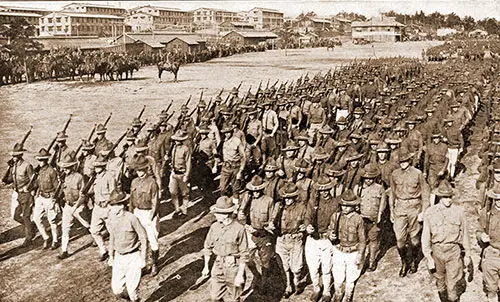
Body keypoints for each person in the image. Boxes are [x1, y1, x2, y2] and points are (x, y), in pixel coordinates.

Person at [390, 149, 430, 277]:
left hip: (414, 206)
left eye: (405, 161)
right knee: (400, 239)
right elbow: (392, 192)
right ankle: (404, 262)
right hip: (400, 207)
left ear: (409, 161)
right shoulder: (395, 174)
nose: (403, 163)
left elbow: (425, 193)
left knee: (414, 240)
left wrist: (423, 211)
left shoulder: (417, 174)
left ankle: (413, 261)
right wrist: (392, 209)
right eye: (400, 161)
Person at [202, 196, 248, 302]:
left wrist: (240, 275)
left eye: (217, 212)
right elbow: (207, 247)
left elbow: (244, 253)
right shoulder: (214, 227)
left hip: (234, 267)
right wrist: (206, 267)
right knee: (215, 297)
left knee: (234, 298)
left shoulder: (239, 229)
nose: (215, 214)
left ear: (225, 214)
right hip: (218, 265)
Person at [107, 189, 148, 302]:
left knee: (132, 291)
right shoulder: (112, 218)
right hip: (119, 257)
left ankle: (134, 298)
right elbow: (112, 238)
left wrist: (143, 259)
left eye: (112, 205)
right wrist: (111, 256)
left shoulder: (132, 218)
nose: (110, 208)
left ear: (121, 206)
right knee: (117, 290)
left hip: (133, 256)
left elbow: (143, 238)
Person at [304, 175, 339, 302]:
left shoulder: (335, 203)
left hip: (326, 240)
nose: (324, 192)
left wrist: (332, 232)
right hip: (313, 239)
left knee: (326, 268)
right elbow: (307, 217)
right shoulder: (313, 202)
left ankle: (327, 292)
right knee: (313, 268)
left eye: (326, 189)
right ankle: (316, 288)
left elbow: (336, 221)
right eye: (321, 190)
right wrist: (308, 226)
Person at [240, 175, 276, 294]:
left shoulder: (269, 201)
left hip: (264, 234)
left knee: (265, 261)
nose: (255, 193)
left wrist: (268, 227)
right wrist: (246, 226)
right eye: (253, 190)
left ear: (262, 189)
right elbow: (241, 215)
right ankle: (256, 275)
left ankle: (264, 284)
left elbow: (272, 220)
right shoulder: (248, 199)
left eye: (257, 191)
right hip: (251, 233)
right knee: (246, 258)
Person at [329, 189, 366, 302]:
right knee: (338, 277)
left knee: (351, 278)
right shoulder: (336, 216)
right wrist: (330, 235)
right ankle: (338, 293)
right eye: (343, 205)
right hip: (339, 250)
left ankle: (348, 296)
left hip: (353, 252)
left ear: (353, 206)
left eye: (348, 206)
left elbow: (362, 239)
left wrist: (360, 255)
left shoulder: (358, 219)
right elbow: (329, 230)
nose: (344, 208)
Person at [275, 182, 307, 298]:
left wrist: (304, 227)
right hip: (282, 238)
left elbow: (307, 220)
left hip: (295, 238)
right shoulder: (278, 207)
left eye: (290, 198)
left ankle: (297, 281)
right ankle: (288, 285)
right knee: (284, 265)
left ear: (295, 197)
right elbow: (272, 220)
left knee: (296, 267)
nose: (287, 200)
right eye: (285, 198)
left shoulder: (302, 207)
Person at [130, 154, 160, 275]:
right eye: (137, 170)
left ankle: (154, 264)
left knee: (152, 239)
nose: (139, 172)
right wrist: (131, 214)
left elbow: (155, 201)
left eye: (141, 170)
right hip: (137, 212)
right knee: (140, 240)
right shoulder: (134, 182)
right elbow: (131, 200)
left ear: (146, 169)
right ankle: (143, 264)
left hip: (149, 213)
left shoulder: (152, 182)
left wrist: (151, 217)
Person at [58, 151, 90, 259]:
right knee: (65, 228)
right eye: (64, 168)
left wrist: (77, 205)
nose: (65, 170)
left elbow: (83, 194)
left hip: (78, 206)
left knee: (87, 225)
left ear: (72, 167)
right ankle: (64, 250)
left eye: (67, 167)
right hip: (68, 206)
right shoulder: (64, 178)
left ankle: (97, 239)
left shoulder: (79, 177)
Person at [354, 164, 386, 271]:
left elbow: (382, 203)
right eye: (366, 178)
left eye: (371, 178)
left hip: (373, 220)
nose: (368, 180)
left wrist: (380, 214)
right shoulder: (358, 188)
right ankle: (360, 263)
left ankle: (372, 262)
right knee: (361, 242)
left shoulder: (379, 188)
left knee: (373, 241)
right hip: (361, 219)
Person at [3, 143, 35, 247]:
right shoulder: (14, 166)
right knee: (16, 216)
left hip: (26, 194)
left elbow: (34, 181)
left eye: (15, 156)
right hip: (18, 194)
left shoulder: (27, 165)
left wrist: (30, 190)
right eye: (13, 156)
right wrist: (8, 170)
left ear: (20, 155)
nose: (13, 157)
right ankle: (30, 227)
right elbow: (9, 180)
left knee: (25, 216)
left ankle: (29, 238)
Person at [90, 155, 117, 261]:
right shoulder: (95, 177)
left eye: (99, 166)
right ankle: (103, 250)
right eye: (95, 166)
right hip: (97, 207)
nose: (96, 168)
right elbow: (91, 191)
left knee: (112, 231)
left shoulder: (109, 176)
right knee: (94, 230)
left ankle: (115, 251)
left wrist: (108, 202)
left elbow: (114, 192)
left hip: (107, 207)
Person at [33, 148, 60, 250]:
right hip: (40, 197)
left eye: (41, 160)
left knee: (52, 221)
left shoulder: (51, 171)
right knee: (36, 218)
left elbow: (57, 187)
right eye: (39, 160)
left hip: (50, 197)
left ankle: (55, 240)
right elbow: (37, 184)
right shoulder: (38, 171)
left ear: (46, 160)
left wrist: (54, 200)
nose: (39, 162)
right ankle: (46, 237)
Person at [168, 129, 192, 216]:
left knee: (185, 193)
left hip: (182, 173)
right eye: (176, 139)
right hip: (174, 173)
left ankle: (184, 210)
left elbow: (188, 162)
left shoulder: (186, 149)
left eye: (178, 140)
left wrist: (187, 175)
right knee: (173, 192)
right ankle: (177, 209)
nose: (177, 141)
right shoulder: (174, 148)